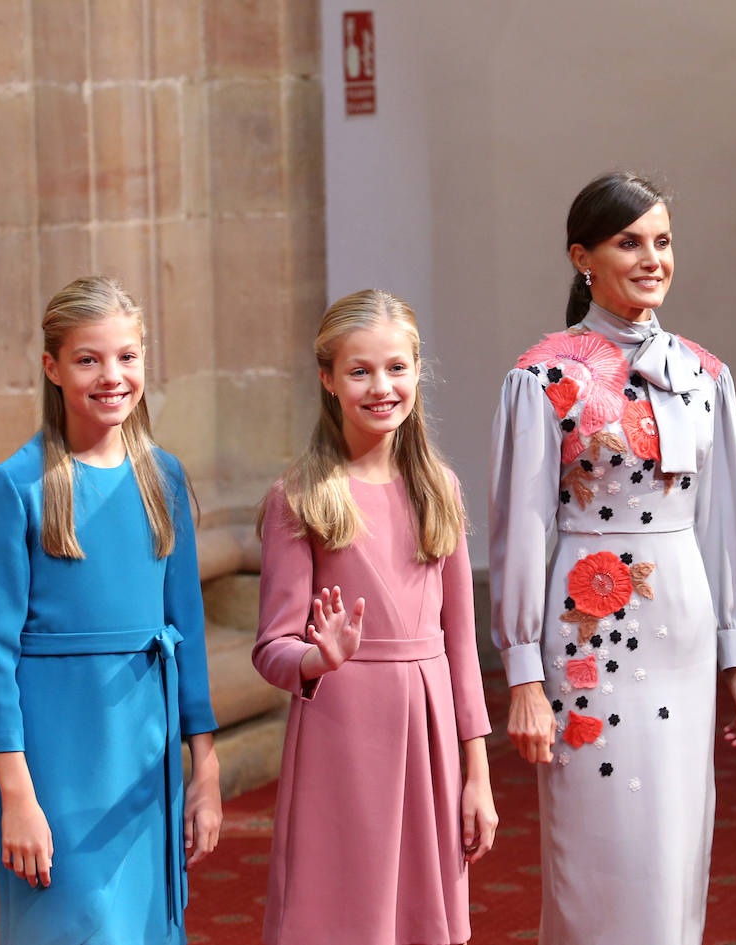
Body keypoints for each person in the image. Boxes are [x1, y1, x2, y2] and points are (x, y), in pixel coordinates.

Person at [490, 172, 736, 945]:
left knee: (679, 836)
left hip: (682, 623)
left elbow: (721, 524)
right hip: (589, 628)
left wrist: (735, 659)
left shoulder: (707, 376)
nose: (652, 258)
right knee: (597, 839)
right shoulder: (544, 376)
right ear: (583, 257)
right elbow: (519, 528)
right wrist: (522, 675)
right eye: (628, 242)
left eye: (663, 240)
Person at [0, 276, 223, 944]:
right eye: (89, 359)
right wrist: (18, 795)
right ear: (52, 367)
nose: (111, 375)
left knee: (142, 927)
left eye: (127, 356)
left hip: (148, 750)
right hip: (58, 757)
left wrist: (206, 767)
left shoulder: (163, 477)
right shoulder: (18, 484)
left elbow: (189, 632)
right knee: (73, 924)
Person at [253, 289, 496, 945]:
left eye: (396, 367)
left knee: (423, 916)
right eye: (360, 370)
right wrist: (315, 656)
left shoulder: (438, 487)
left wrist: (478, 773)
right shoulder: (299, 495)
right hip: (341, 733)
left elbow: (463, 647)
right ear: (328, 379)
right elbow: (271, 645)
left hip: (431, 731)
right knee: (339, 916)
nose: (381, 386)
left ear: (418, 370)